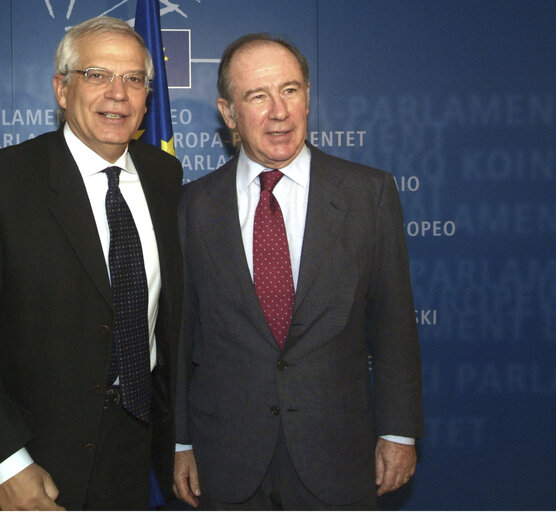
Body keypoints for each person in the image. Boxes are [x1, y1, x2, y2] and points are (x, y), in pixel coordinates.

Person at [0, 16, 183, 510]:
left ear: (147, 97)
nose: (118, 93)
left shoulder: (164, 176)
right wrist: (8, 466)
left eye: (134, 79)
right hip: (31, 463)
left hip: (133, 453)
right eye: (97, 75)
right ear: (61, 90)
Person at [173, 33, 423, 510]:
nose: (279, 111)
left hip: (338, 455)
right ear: (228, 114)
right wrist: (181, 442)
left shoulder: (368, 194)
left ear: (308, 97)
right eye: (257, 96)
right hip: (224, 459)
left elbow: (393, 325)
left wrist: (398, 431)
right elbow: (184, 334)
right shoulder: (193, 206)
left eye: (290, 90)